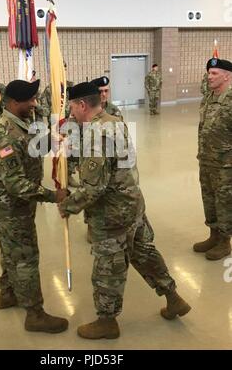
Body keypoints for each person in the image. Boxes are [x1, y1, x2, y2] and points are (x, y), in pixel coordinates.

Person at [57, 82, 191, 340]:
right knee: (144, 254)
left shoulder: (97, 135)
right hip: (133, 205)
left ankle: (107, 321)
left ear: (82, 105)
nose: (70, 112)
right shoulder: (112, 121)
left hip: (112, 215)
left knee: (108, 268)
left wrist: (68, 206)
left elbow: (94, 189)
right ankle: (173, 297)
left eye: (72, 107)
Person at [0, 79, 68, 334]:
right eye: (30, 100)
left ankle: (8, 293)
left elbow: (33, 147)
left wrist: (54, 142)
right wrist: (54, 196)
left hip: (16, 206)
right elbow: (15, 184)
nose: (34, 103)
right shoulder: (4, 135)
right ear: (13, 103)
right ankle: (35, 314)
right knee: (25, 257)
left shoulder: (19, 124)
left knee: (10, 250)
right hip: (12, 207)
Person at [193, 57, 232, 260]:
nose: (209, 76)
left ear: (227, 76)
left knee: (224, 202)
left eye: (214, 73)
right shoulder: (208, 98)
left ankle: (225, 241)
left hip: (226, 165)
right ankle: (213, 235)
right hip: (206, 160)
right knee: (209, 200)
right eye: (209, 73)